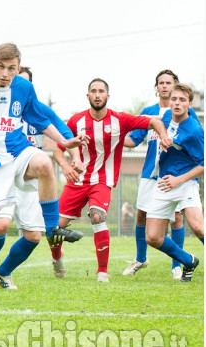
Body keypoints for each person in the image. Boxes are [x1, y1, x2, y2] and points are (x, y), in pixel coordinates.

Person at [0, 43, 88, 306]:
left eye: (11, 68)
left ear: (18, 68)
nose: (5, 73)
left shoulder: (24, 88)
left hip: (17, 152)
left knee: (45, 166)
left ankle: (52, 229)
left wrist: (66, 144)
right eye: (1, 67)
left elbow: (42, 121)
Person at [53, 78, 171, 283]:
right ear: (87, 95)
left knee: (97, 217)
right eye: (93, 91)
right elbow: (58, 148)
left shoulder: (120, 120)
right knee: (53, 230)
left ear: (108, 96)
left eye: (101, 91)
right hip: (77, 181)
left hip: (102, 181)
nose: (97, 95)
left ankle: (102, 272)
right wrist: (65, 166)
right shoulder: (75, 121)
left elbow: (154, 121)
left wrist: (163, 136)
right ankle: (57, 259)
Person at [122, 70, 198, 279]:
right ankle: (140, 258)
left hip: (175, 175)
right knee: (142, 215)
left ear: (176, 86)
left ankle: (177, 264)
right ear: (156, 87)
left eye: (169, 83)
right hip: (151, 171)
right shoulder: (150, 111)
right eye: (161, 83)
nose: (164, 86)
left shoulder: (185, 114)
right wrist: (114, 140)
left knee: (177, 218)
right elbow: (135, 139)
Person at [143, 83, 203, 282]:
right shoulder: (167, 116)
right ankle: (188, 260)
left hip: (185, 182)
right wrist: (163, 135)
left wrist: (179, 179)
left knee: (198, 227)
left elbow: (203, 165)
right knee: (152, 237)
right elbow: (155, 123)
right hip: (163, 183)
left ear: (189, 104)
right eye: (174, 99)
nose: (177, 103)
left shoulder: (194, 130)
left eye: (182, 100)